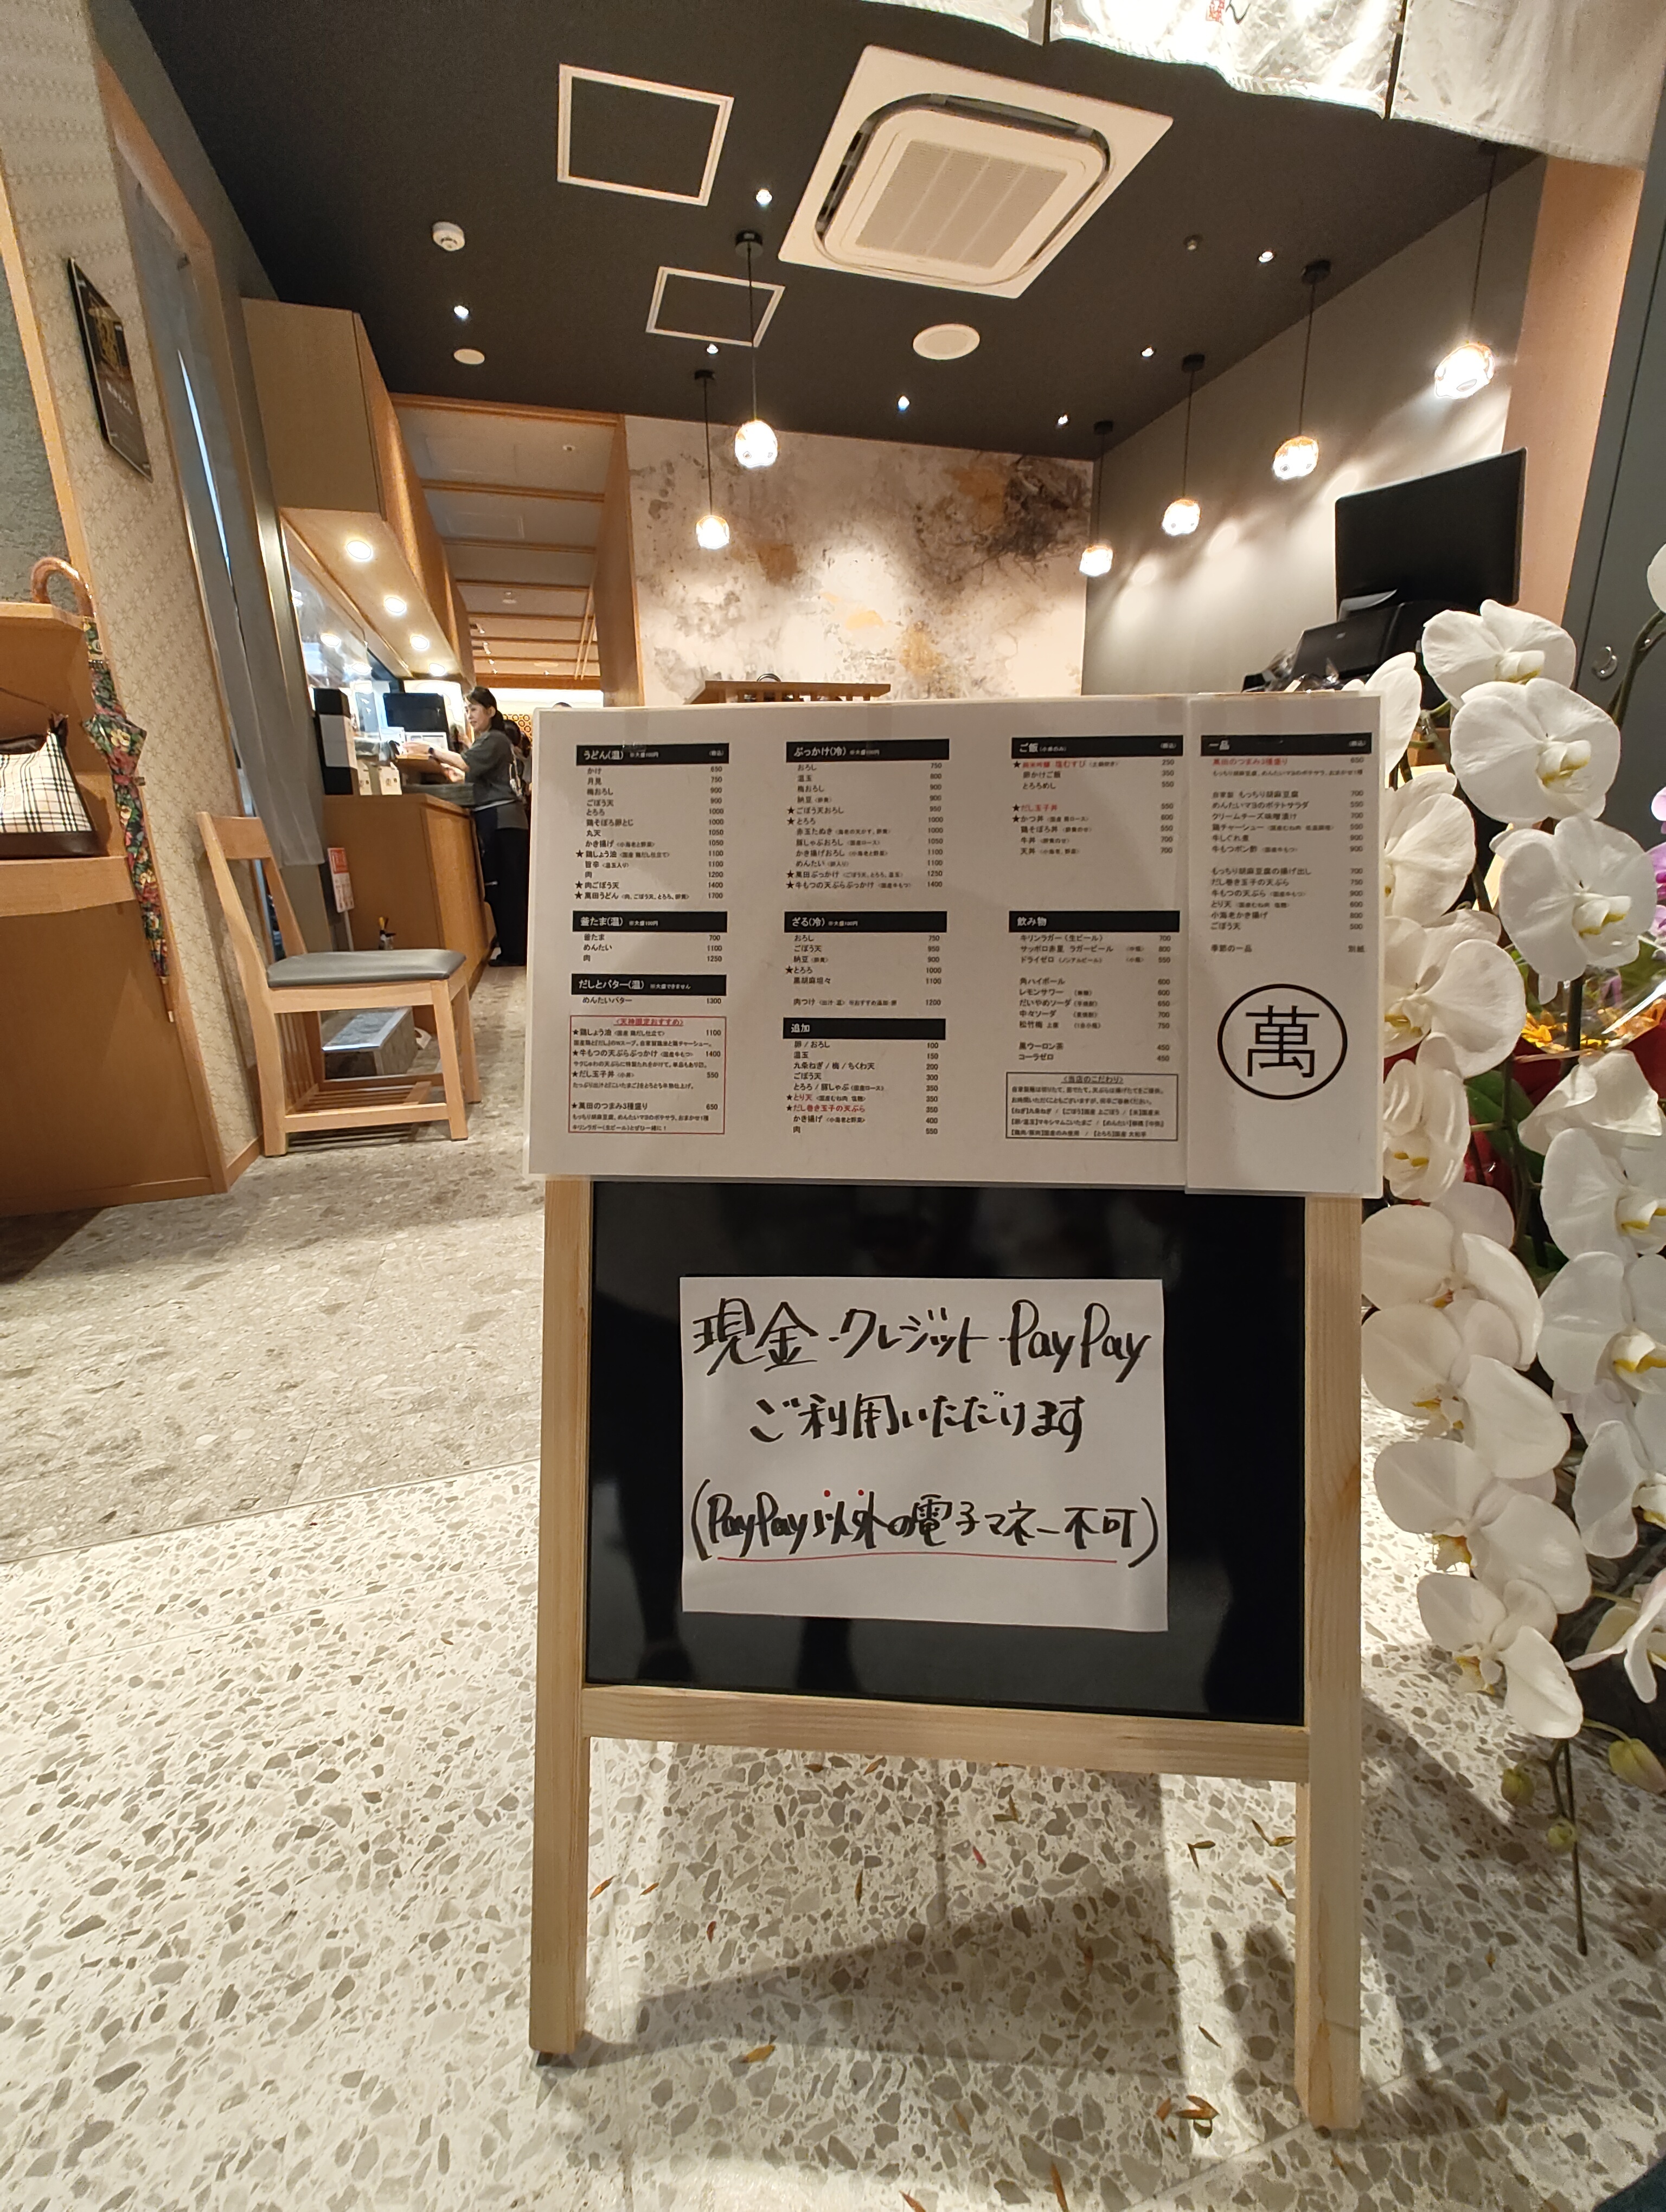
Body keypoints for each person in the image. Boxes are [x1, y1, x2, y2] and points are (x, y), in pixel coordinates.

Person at [438, 686, 529, 964]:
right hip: (507, 821)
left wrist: (430, 751)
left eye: (474, 709)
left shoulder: (494, 739)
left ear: (490, 711)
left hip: (501, 820)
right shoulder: (496, 741)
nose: (470, 715)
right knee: (509, 888)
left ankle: (515, 952)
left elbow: (465, 764)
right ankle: (516, 948)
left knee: (506, 889)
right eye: (467, 710)